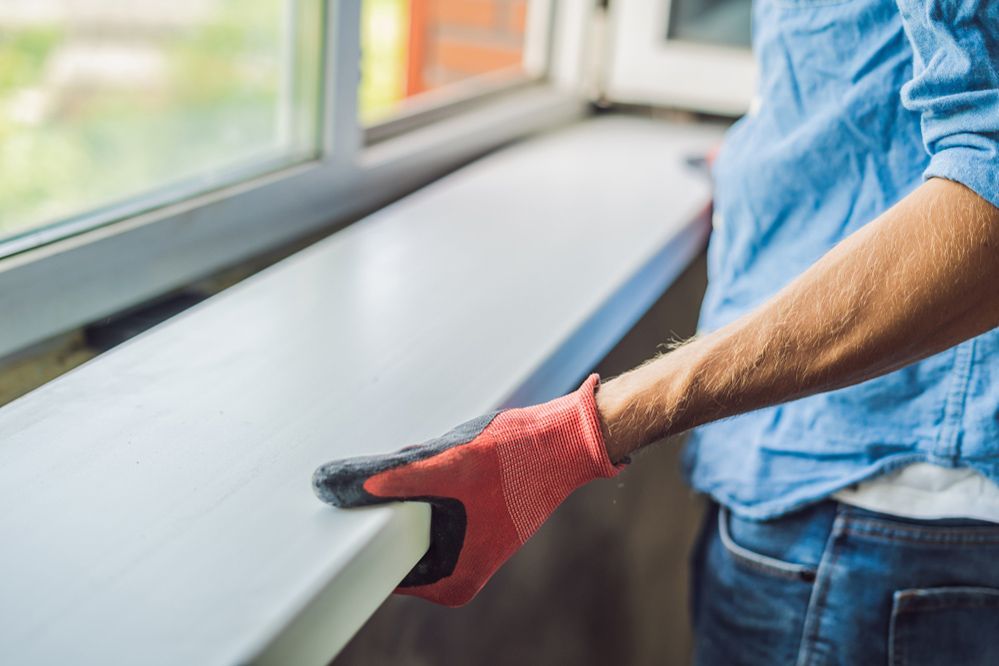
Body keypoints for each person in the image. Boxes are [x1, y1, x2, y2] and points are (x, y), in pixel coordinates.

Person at [314, 0, 999, 661]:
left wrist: (575, 438)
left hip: (882, 517)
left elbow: (989, 202)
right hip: (851, 503)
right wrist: (773, 168)